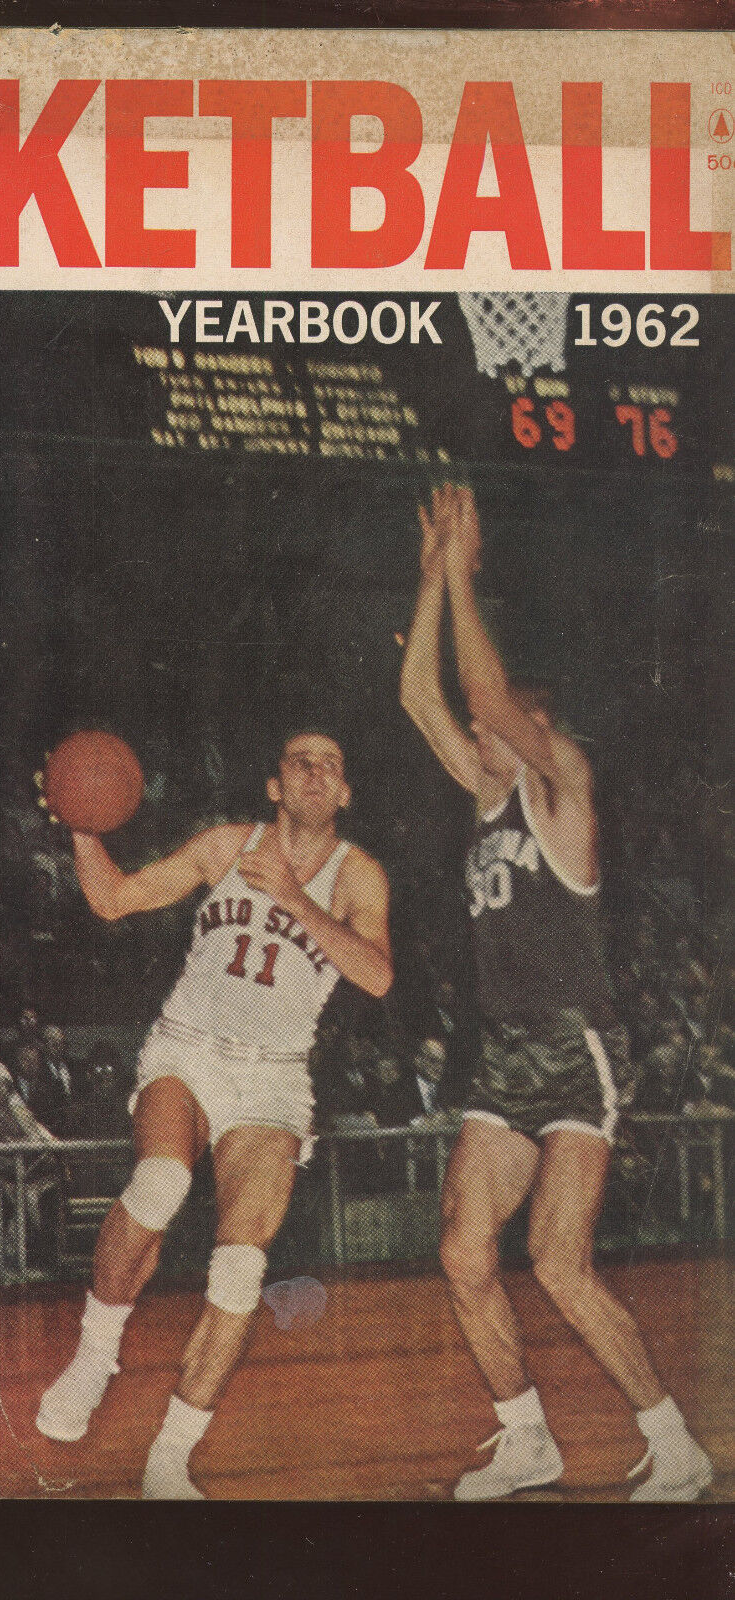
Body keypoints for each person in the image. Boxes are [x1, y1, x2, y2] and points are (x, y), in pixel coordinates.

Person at [400, 482, 712, 1502]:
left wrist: (461, 571)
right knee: (459, 1247)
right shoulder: (489, 804)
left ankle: (674, 1443)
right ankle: (524, 1434)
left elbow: (483, 704)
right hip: (502, 1050)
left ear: (535, 733)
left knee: (558, 1262)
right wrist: (429, 574)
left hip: (577, 1045)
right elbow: (420, 700)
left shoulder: (563, 782)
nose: (480, 740)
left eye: (503, 731)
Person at [34, 730, 393, 1498]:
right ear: (275, 783)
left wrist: (296, 898)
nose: (314, 770)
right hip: (188, 1051)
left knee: (240, 1266)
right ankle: (95, 1358)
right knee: (159, 1184)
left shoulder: (358, 875)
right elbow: (113, 898)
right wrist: (82, 824)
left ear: (344, 793)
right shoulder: (229, 843)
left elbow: (377, 975)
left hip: (273, 1080)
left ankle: (172, 1452)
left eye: (331, 762)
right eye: (299, 758)